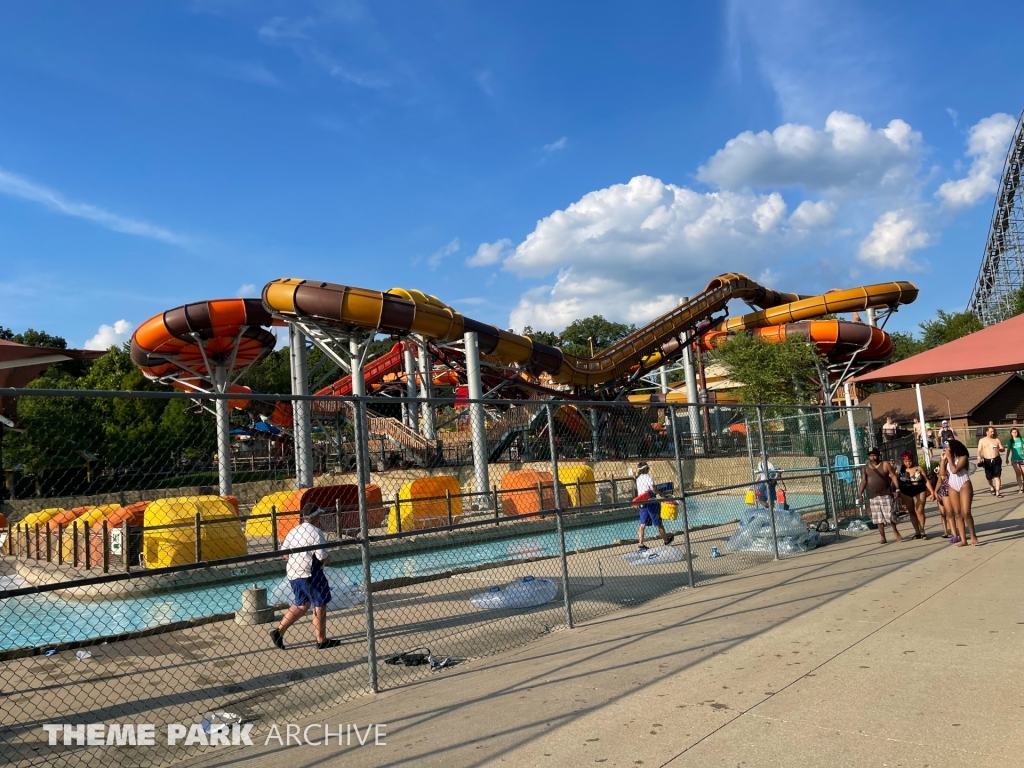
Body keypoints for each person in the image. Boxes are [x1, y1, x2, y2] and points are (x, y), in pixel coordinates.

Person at [270, 504, 343, 650]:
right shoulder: (316, 532)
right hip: (310, 573)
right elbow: (321, 556)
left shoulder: (294, 531)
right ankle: (321, 640)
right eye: (319, 515)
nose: (320, 517)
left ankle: (279, 631)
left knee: (301, 603)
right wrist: (328, 558)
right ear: (316, 516)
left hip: (293, 572)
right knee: (319, 604)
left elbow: (285, 554)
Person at [859, 446, 903, 544]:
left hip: (886, 493)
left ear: (878, 455)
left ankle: (895, 530)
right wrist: (860, 493)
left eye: (874, 455)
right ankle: (883, 537)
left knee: (890, 515)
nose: (873, 458)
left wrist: (897, 489)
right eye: (870, 456)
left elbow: (893, 476)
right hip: (873, 496)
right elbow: (863, 481)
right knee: (878, 518)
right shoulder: (866, 468)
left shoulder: (885, 465)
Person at [944, 440, 979, 547]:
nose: (946, 449)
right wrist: (943, 460)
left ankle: (973, 535)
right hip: (952, 486)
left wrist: (949, 458)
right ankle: (963, 540)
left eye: (947, 447)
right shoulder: (948, 459)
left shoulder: (963, 457)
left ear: (953, 448)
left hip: (964, 484)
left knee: (966, 512)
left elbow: (955, 470)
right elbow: (942, 473)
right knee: (957, 513)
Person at [634, 461, 675, 552]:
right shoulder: (649, 477)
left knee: (642, 525)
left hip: (642, 503)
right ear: (647, 469)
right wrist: (661, 494)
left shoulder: (638, 479)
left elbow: (640, 491)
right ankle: (666, 540)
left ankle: (641, 544)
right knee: (659, 523)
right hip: (651, 502)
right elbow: (653, 489)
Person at [897, 451, 934, 539]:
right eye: (905, 461)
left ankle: (922, 531)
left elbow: (926, 480)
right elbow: (895, 481)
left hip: (919, 490)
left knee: (919, 510)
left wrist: (932, 492)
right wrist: (896, 491)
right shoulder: (900, 469)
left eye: (909, 461)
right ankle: (917, 532)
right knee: (911, 512)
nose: (907, 463)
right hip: (906, 491)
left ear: (912, 460)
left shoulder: (918, 468)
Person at [976, 427, 1004, 497]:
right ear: (987, 432)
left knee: (997, 476)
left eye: (993, 431)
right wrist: (979, 458)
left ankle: (998, 492)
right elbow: (979, 450)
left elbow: (1002, 448)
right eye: (991, 431)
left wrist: (1000, 449)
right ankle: (991, 487)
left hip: (996, 459)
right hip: (987, 460)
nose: (993, 433)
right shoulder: (982, 440)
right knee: (989, 477)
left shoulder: (996, 440)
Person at [931, 462, 955, 538]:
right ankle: (945, 532)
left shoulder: (953, 469)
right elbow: (940, 480)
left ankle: (953, 531)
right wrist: (935, 492)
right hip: (942, 492)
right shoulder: (941, 471)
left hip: (952, 492)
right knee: (943, 513)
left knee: (950, 512)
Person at [1006, 427, 1024, 494]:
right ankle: (1021, 488)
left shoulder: (1022, 440)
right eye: (1013, 432)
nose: (1014, 433)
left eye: (1016, 432)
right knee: (1018, 473)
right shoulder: (1010, 441)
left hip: (1022, 458)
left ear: (1018, 432)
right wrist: (1006, 458)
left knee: (1023, 473)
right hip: (1014, 459)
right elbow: (1008, 450)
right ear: (1011, 433)